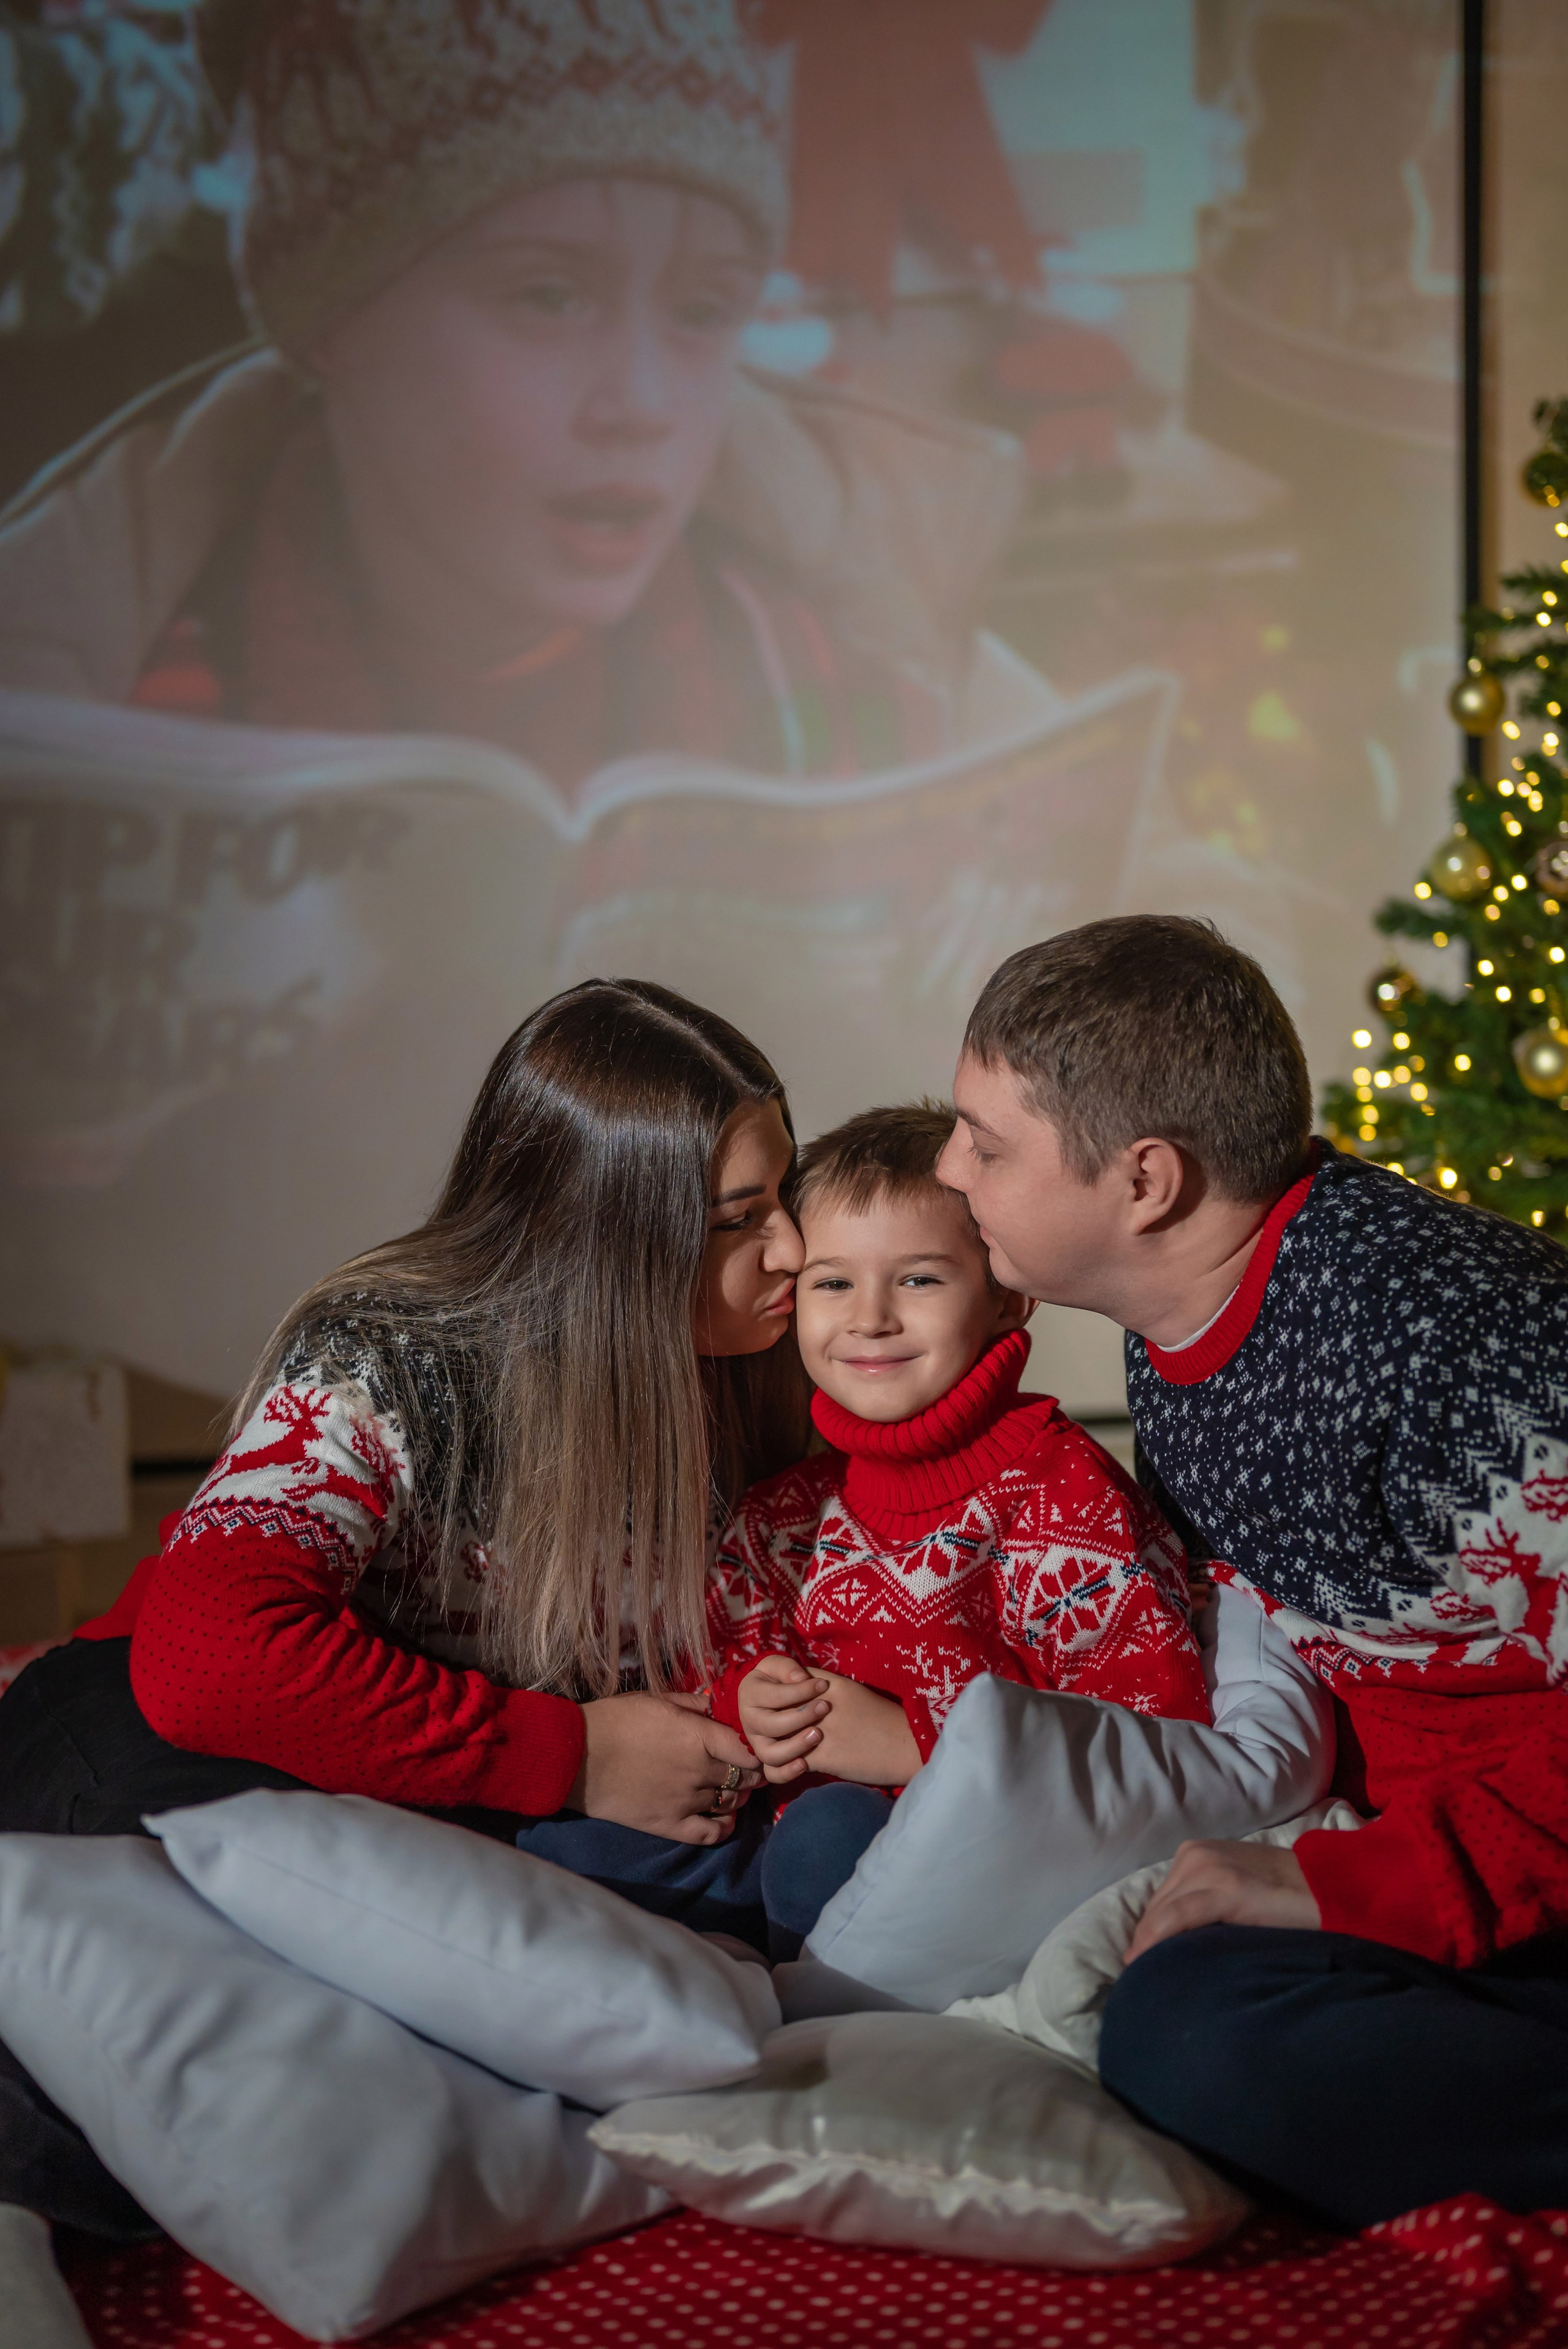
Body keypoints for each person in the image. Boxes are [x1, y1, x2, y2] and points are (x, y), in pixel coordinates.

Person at [0, 976, 812, 2230]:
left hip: (454, 1814)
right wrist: (574, 1755)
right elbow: (210, 1659)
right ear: (605, 1239)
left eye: (786, 1196)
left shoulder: (765, 1358)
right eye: (737, 1219)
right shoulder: (390, 1351)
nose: (794, 1251)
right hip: (157, 1758)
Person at [936, 913, 1568, 2228]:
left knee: (1194, 2046)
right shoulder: (1177, 1319)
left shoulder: (1466, 1351)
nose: (949, 1169)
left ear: (1145, 1182)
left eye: (985, 1145)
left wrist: (1363, 1885)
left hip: (1510, 1863)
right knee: (1152, 1992)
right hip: (1409, 1842)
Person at [0, 0, 1016, 787]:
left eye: (705, 309)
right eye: (549, 296)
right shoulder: (102, 696)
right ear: (335, 319)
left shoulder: (892, 677)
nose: (643, 404)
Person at [519, 1101, 1209, 1959]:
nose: (870, 1317)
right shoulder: (786, 1512)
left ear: (1005, 1298)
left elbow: (1155, 1733)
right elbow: (711, 1667)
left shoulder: (1062, 1495)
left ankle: (805, 1990)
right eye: (833, 1283)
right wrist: (750, 1702)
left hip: (963, 1855)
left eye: (918, 1280)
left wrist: (918, 1745)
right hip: (771, 1837)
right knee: (567, 1850)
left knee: (828, 1834)